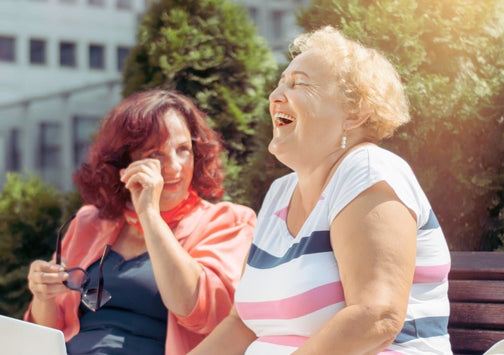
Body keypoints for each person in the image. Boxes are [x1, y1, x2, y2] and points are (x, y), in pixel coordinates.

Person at [189, 26, 453, 354]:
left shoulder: (368, 171)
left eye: (299, 83)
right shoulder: (279, 193)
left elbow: (376, 317)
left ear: (354, 114)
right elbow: (242, 324)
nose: (275, 96)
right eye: (279, 83)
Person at [25, 89, 255, 355]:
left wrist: (149, 214)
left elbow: (195, 308)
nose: (174, 167)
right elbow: (48, 333)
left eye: (183, 150)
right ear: (124, 163)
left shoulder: (228, 221)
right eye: (156, 154)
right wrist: (43, 296)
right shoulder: (88, 222)